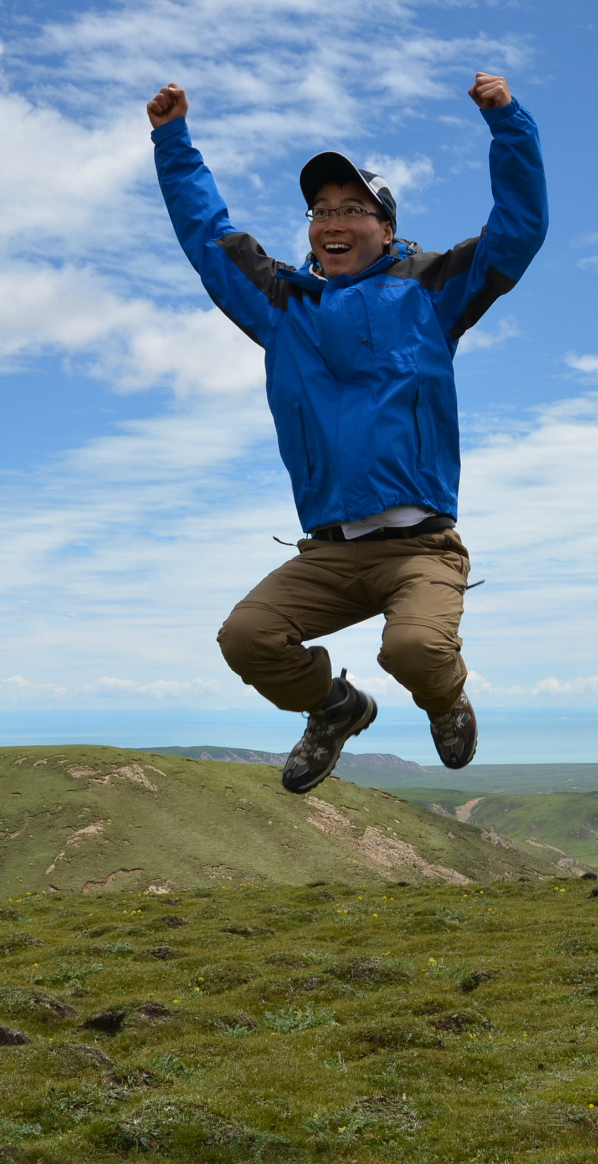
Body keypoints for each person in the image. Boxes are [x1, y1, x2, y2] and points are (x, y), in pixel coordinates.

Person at [147, 73, 547, 793]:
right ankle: (334, 710)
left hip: (420, 545)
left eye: (353, 209)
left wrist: (508, 124)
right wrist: (173, 141)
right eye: (320, 210)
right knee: (247, 639)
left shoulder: (431, 291)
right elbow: (209, 240)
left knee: (416, 651)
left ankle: (445, 698)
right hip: (330, 554)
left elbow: (518, 231)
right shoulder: (281, 307)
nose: (333, 220)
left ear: (385, 228)